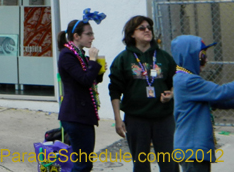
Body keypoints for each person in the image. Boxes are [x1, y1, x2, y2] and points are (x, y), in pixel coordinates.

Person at [108, 15, 177, 172]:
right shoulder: (123, 59)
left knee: (169, 164)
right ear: (132, 34)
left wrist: (171, 94)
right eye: (142, 28)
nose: (147, 30)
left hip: (163, 118)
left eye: (149, 28)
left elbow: (175, 82)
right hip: (137, 119)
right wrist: (118, 120)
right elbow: (115, 91)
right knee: (141, 164)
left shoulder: (163, 57)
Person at [171, 35, 234, 172]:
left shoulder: (186, 78)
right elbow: (221, 92)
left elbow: (219, 101)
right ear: (189, 55)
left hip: (194, 149)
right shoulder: (187, 81)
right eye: (202, 56)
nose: (206, 60)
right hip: (192, 149)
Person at [58, 11, 105, 172]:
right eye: (89, 34)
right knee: (82, 164)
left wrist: (99, 70)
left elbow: (91, 80)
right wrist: (92, 61)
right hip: (75, 115)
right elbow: (84, 80)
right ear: (76, 36)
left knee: (85, 163)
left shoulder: (79, 54)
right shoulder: (67, 55)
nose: (92, 37)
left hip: (83, 116)